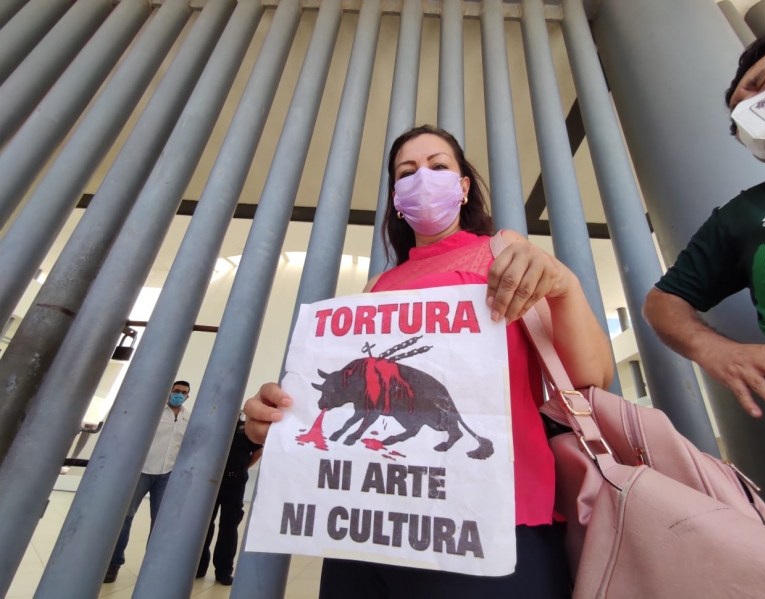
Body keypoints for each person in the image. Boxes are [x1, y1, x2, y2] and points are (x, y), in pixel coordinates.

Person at [243, 125, 614, 598]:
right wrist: (283, 419)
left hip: (492, 517)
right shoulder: (380, 286)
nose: (423, 178)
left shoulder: (504, 252)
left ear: (463, 188)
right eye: (407, 172)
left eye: (439, 167)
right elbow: (358, 392)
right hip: (370, 522)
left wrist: (564, 285)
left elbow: (591, 376)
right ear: (396, 197)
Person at [643, 18, 765, 466]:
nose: (751, 107)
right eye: (739, 113)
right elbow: (663, 301)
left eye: (763, 83)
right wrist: (717, 350)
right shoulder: (746, 214)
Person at [104, 380, 192, 583]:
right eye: (176, 391)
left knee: (161, 522)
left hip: (168, 474)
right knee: (125, 517)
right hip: (142, 471)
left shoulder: (189, 417)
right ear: (169, 392)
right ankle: (113, 564)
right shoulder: (154, 412)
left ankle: (153, 567)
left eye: (183, 393)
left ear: (187, 396)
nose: (179, 395)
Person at [196, 411, 263, 586]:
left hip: (234, 482)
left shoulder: (246, 430)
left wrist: (242, 468)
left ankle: (223, 571)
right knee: (204, 525)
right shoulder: (213, 429)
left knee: (229, 527)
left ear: (239, 413)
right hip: (210, 482)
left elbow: (257, 451)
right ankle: (198, 567)